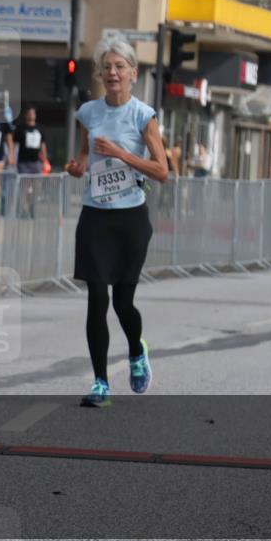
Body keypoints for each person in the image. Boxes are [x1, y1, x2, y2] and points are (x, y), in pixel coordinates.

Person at [65, 38, 168, 408]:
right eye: (106, 66)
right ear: (99, 74)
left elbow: (162, 171)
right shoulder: (88, 113)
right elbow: (83, 156)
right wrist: (77, 167)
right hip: (95, 217)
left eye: (119, 66)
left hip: (130, 220)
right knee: (97, 299)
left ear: (133, 74)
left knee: (123, 303)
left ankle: (137, 352)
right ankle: (100, 383)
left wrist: (122, 154)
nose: (112, 72)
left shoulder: (143, 116)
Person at [12, 105, 48, 175]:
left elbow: (43, 145)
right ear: (26, 115)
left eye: (33, 113)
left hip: (36, 161)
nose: (31, 115)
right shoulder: (20, 129)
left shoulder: (40, 129)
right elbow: (15, 144)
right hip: (23, 161)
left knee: (37, 180)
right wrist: (13, 157)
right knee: (24, 180)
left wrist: (45, 160)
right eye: (29, 113)